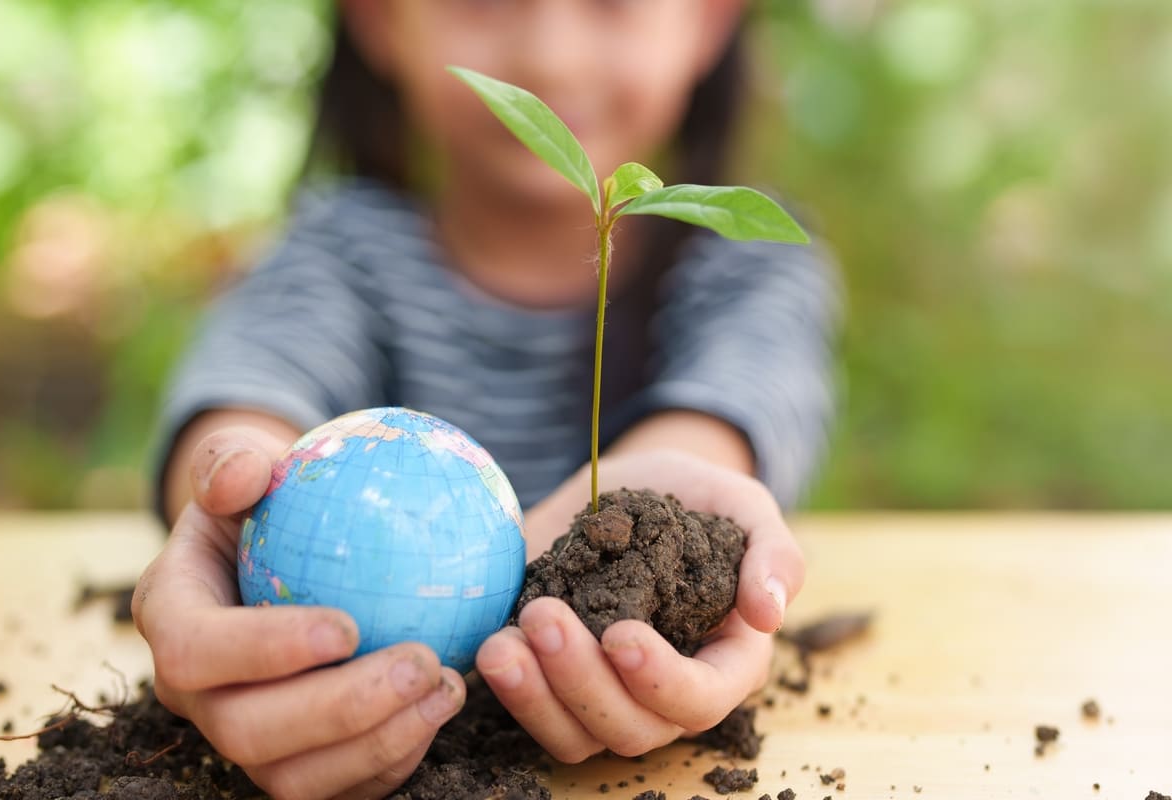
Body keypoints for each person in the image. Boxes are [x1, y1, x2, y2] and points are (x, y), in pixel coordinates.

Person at [133, 1, 840, 798]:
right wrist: (233, 501)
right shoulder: (338, 254)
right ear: (377, 18)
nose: (550, 59)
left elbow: (725, 416)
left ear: (710, 21)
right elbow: (250, 390)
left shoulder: (743, 269)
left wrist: (663, 521)